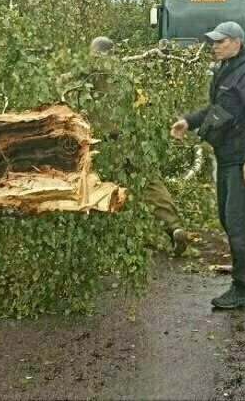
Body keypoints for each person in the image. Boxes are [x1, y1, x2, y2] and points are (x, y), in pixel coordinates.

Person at [170, 22, 245, 310]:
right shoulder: (224, 72)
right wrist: (188, 122)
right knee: (229, 220)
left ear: (237, 43)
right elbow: (216, 109)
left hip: (242, 160)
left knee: (237, 224)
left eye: (221, 41)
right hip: (227, 157)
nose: (214, 46)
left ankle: (241, 288)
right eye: (213, 42)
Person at [61, 36, 188, 256]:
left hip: (106, 143)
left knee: (95, 183)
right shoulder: (128, 75)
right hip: (134, 139)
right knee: (150, 183)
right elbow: (143, 103)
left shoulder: (89, 75)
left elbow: (64, 85)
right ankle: (174, 226)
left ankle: (100, 236)